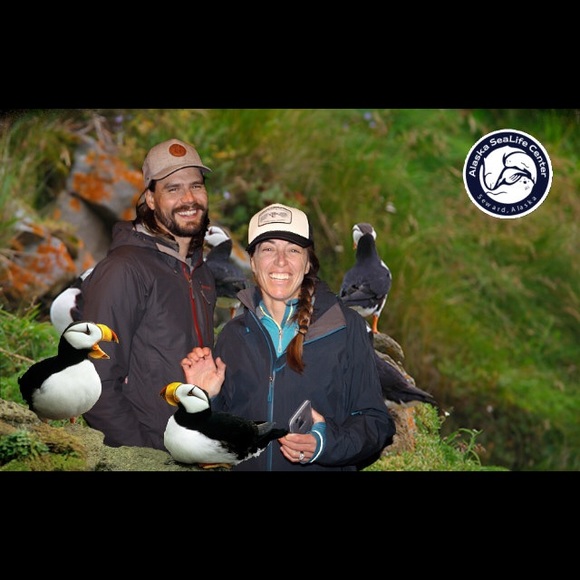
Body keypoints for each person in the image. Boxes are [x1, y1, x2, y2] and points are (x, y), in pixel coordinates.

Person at [181, 203, 395, 471]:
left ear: (307, 263)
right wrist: (206, 399)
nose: (280, 261)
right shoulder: (233, 335)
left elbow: (376, 424)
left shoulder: (345, 327)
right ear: (252, 262)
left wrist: (325, 443)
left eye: (293, 250)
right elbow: (217, 443)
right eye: (268, 249)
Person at [81, 138, 217, 450]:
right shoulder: (124, 270)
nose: (189, 198)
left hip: (192, 448)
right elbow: (95, 383)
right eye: (173, 189)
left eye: (196, 186)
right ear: (151, 199)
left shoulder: (201, 273)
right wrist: (142, 455)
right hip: (150, 451)